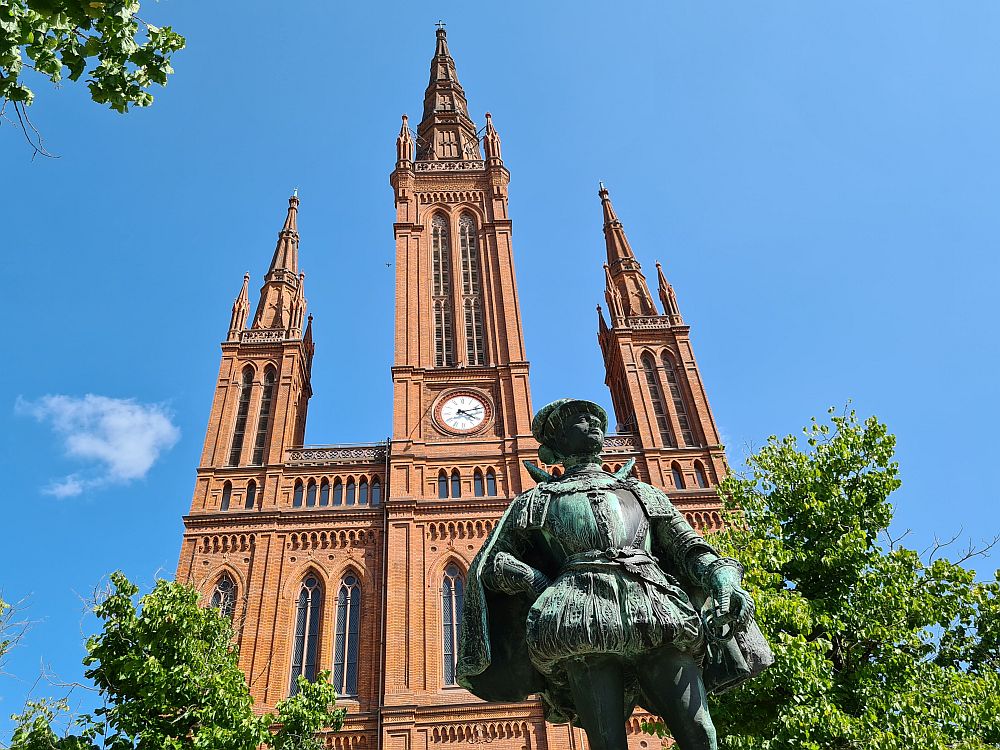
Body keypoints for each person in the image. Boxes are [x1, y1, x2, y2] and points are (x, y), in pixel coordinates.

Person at [458, 399, 773, 750]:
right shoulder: (537, 501)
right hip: (580, 621)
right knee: (607, 742)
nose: (592, 423)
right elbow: (493, 562)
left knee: (700, 731)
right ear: (554, 444)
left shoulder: (642, 492)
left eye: (596, 419)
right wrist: (534, 581)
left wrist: (725, 582)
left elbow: (693, 550)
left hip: (657, 612)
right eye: (579, 420)